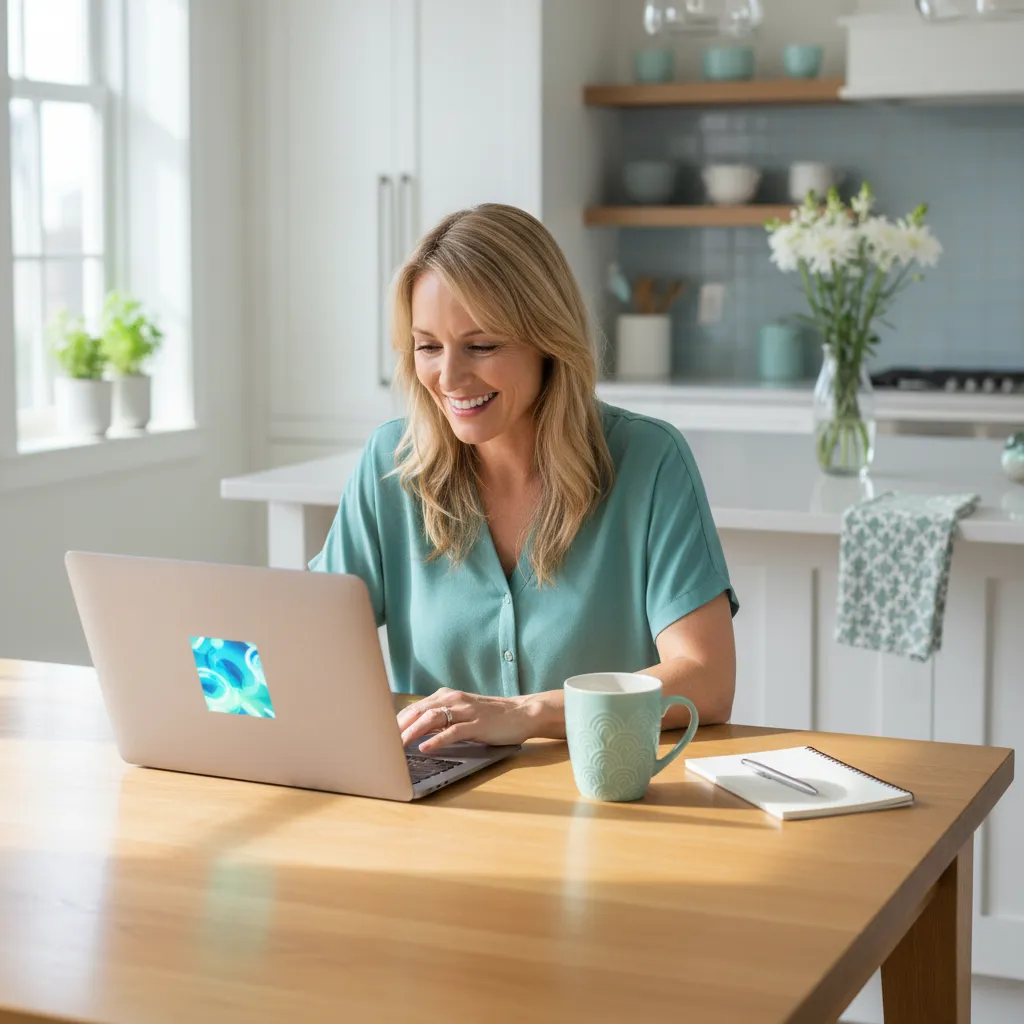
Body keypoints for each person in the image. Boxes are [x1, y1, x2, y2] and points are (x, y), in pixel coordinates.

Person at [309, 203, 738, 754]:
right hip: (431, 810)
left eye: (482, 346)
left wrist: (525, 714)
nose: (450, 376)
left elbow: (707, 680)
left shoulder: (648, 460)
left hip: (604, 809)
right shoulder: (390, 465)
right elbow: (308, 636)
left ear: (548, 340)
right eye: (428, 346)